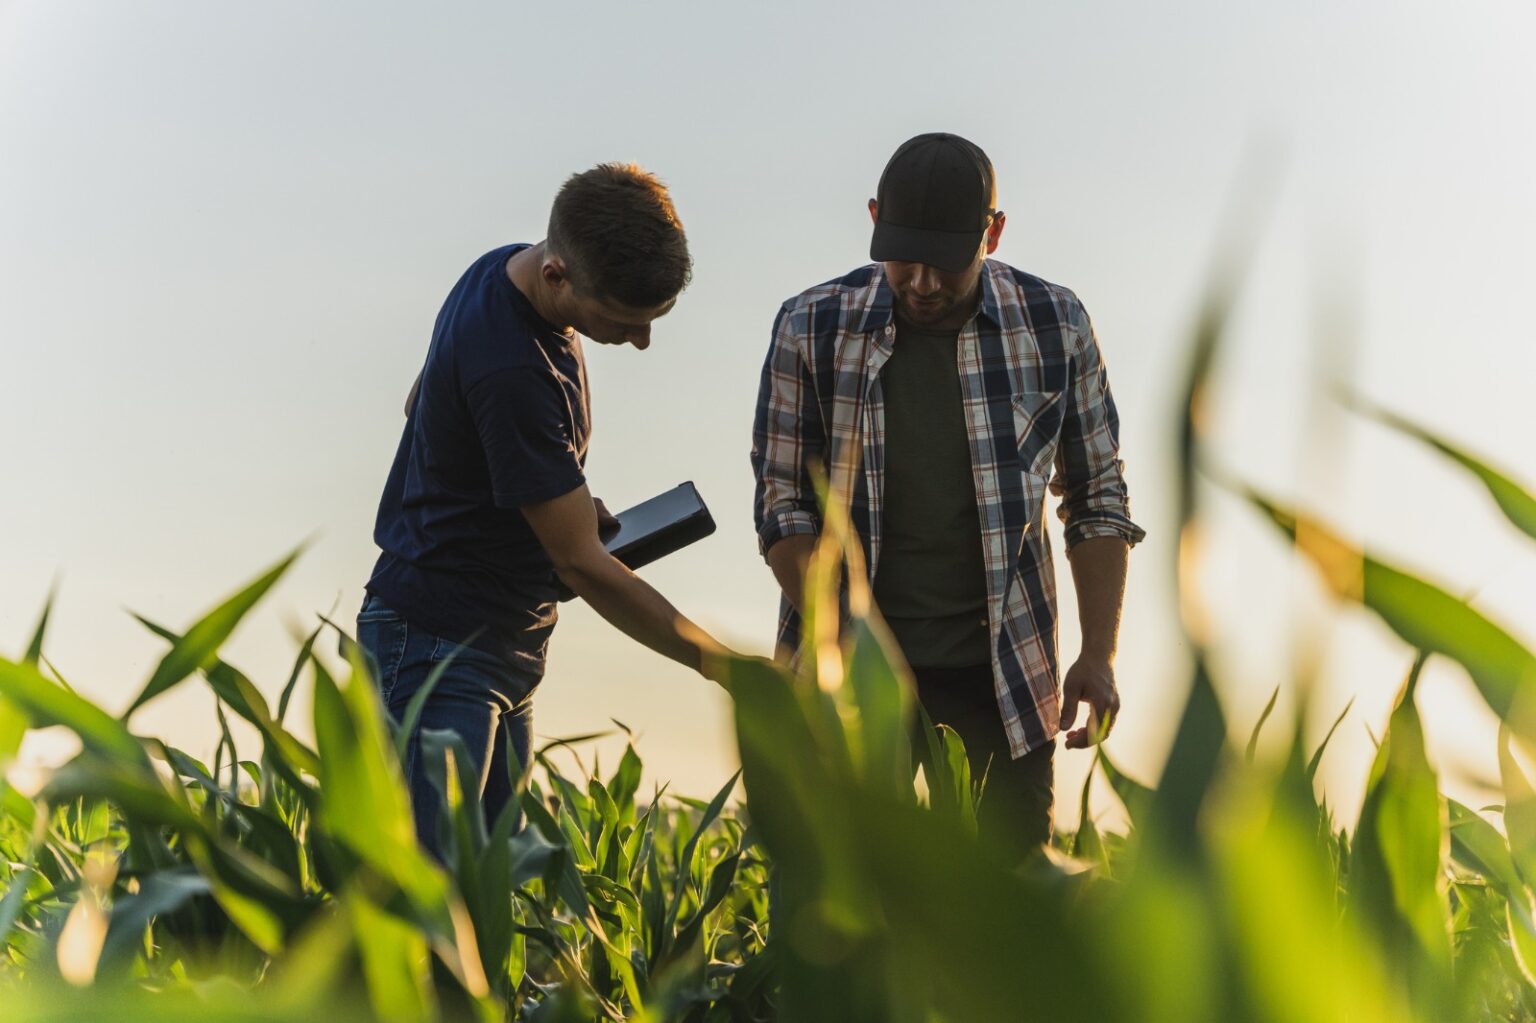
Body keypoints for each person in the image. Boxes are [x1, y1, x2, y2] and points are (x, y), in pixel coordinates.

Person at [751, 133, 1145, 857]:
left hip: (1003, 676)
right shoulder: (811, 326)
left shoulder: (1055, 324)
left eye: (947, 260)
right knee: (838, 903)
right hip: (848, 673)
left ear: (993, 234)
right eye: (904, 257)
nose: (924, 282)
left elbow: (1097, 496)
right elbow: (784, 502)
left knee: (1012, 900)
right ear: (874, 219)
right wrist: (843, 645)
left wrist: (1098, 654)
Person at [359, 163, 734, 853]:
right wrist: (723, 666)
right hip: (440, 650)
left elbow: (422, 402)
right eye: (624, 322)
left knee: (496, 888)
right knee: (433, 896)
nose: (642, 341)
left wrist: (540, 489)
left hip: (501, 645)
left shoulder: (499, 270)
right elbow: (581, 566)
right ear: (558, 275)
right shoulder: (513, 368)